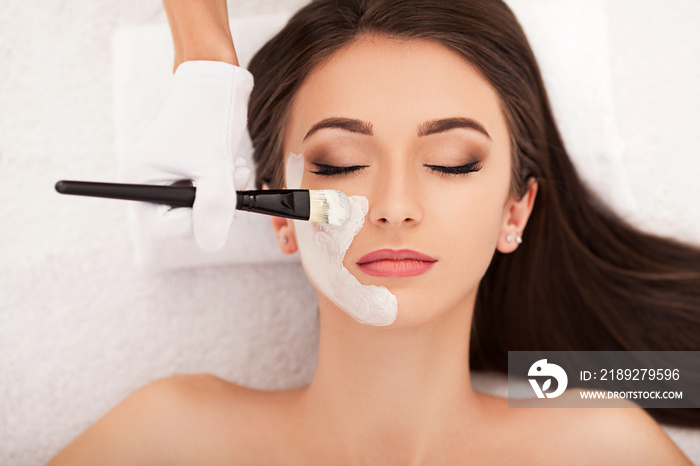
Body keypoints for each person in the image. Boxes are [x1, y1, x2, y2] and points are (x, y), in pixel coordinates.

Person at [48, 0, 699, 464]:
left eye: (451, 162)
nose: (393, 206)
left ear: (515, 211)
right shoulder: (170, 438)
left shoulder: (595, 444)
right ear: (279, 214)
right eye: (338, 163)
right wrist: (203, 58)